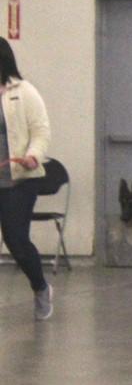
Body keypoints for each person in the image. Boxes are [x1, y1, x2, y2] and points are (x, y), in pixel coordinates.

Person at [0, 39, 54, 321]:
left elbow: (41, 131)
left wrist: (33, 155)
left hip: (19, 181)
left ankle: (41, 287)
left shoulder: (24, 92)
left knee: (16, 240)